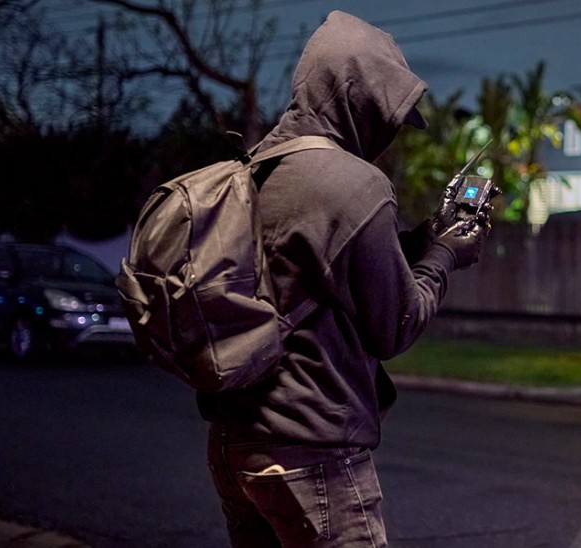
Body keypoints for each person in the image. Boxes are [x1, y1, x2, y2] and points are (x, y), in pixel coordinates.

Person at [200, 11, 487, 547]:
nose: (390, 134)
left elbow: (313, 276)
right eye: (387, 115)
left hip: (233, 443)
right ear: (359, 101)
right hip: (311, 451)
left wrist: (424, 239)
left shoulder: (257, 165)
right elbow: (396, 325)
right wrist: (447, 256)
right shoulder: (354, 184)